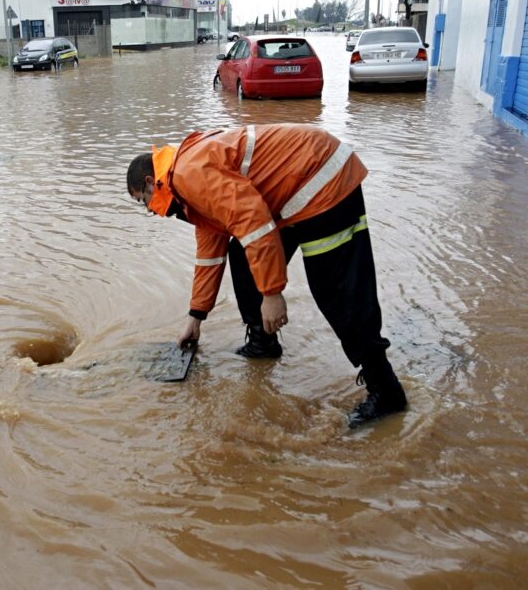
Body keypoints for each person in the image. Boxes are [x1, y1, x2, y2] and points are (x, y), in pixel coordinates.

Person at [125, 123, 407, 428]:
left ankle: (385, 389)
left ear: (152, 181)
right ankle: (263, 344)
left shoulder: (188, 175)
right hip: (294, 186)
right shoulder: (183, 182)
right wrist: (195, 317)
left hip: (322, 179)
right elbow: (210, 255)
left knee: (336, 290)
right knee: (242, 257)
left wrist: (272, 294)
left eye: (143, 200)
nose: (150, 211)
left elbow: (254, 220)